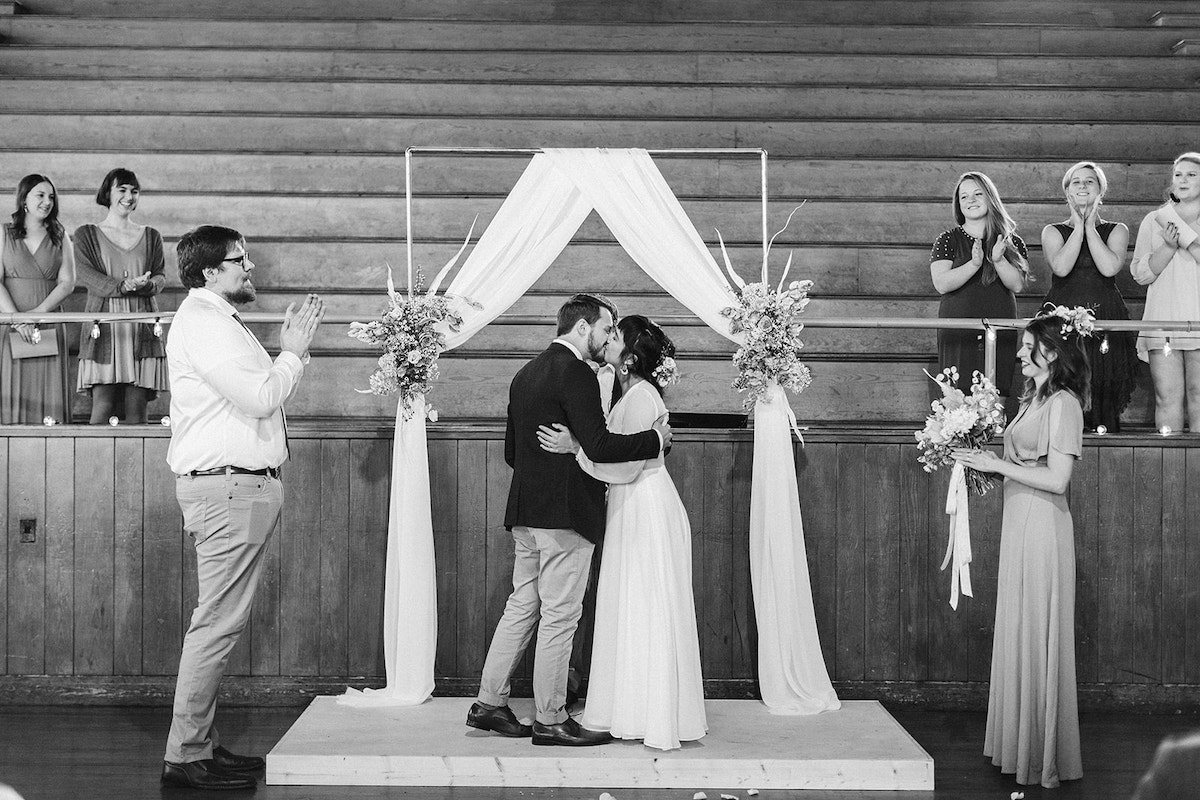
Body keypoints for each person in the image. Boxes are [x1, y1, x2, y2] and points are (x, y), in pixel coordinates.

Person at [467, 294, 671, 747]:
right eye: (604, 329)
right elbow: (598, 446)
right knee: (560, 617)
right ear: (582, 328)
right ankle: (551, 718)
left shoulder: (525, 373)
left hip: (524, 511)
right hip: (564, 515)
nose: (605, 339)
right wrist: (654, 439)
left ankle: (488, 704)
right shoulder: (575, 372)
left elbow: (511, 453)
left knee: (522, 606)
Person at [162, 225, 325, 790]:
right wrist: (294, 355)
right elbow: (260, 396)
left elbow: (260, 394)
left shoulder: (218, 321)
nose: (249, 267)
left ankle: (198, 744)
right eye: (239, 261)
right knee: (216, 624)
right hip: (229, 490)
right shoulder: (205, 324)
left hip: (243, 488)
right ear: (209, 272)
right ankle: (185, 754)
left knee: (222, 621)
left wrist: (285, 360)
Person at [537, 315, 706, 751]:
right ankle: (635, 707)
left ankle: (643, 712)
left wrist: (576, 449)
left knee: (641, 604)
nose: (608, 340)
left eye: (616, 337)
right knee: (634, 604)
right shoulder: (632, 394)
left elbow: (626, 468)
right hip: (638, 505)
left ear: (629, 360)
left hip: (643, 506)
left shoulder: (639, 398)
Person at [954, 308, 1090, 788]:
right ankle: (1019, 746)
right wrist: (979, 457)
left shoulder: (1065, 405)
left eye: (1028, 347)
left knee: (1038, 627)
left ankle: (1042, 753)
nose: (1019, 355)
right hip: (1019, 519)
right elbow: (1017, 459)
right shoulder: (1033, 399)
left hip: (1042, 524)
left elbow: (1056, 478)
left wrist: (999, 468)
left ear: (1052, 351)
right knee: (1018, 625)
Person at [1041, 161, 1136, 432]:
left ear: (1101, 190)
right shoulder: (1053, 231)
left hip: (1104, 317)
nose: (1082, 186)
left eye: (1089, 181)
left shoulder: (1117, 229)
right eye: (1076, 182)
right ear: (1067, 192)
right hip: (1062, 320)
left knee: (1100, 386)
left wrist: (1090, 225)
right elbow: (1061, 267)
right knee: (1063, 383)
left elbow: (1108, 267)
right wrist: (1077, 226)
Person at [74, 168, 169, 424]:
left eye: (134, 191)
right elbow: (85, 274)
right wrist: (123, 286)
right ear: (108, 192)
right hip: (104, 326)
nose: (129, 196)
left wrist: (145, 285)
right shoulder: (86, 234)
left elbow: (161, 277)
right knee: (102, 406)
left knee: (137, 408)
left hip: (142, 325)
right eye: (122, 190)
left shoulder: (151, 235)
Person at [931, 172, 1030, 410]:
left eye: (977, 194)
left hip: (999, 327)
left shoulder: (1010, 241)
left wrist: (998, 260)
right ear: (958, 204)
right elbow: (941, 283)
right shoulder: (947, 240)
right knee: (956, 401)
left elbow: (1017, 284)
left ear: (990, 197)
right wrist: (973, 265)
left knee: (994, 400)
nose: (971, 200)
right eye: (964, 196)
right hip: (958, 329)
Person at [1131, 152, 1200, 432]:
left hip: (1197, 317)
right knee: (1167, 397)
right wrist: (1169, 247)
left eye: (1191, 175)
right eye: (1178, 175)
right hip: (1164, 319)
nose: (1183, 180)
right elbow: (1141, 273)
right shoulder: (1156, 219)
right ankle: (1171, 466)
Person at [0, 173, 76, 424]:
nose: (47, 202)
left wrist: (37, 315)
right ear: (24, 199)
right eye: (40, 195)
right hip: (10, 321)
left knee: (48, 396)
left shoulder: (60, 235)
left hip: (48, 321)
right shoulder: (3, 233)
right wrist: (17, 319)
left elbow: (68, 282)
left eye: (51, 197)